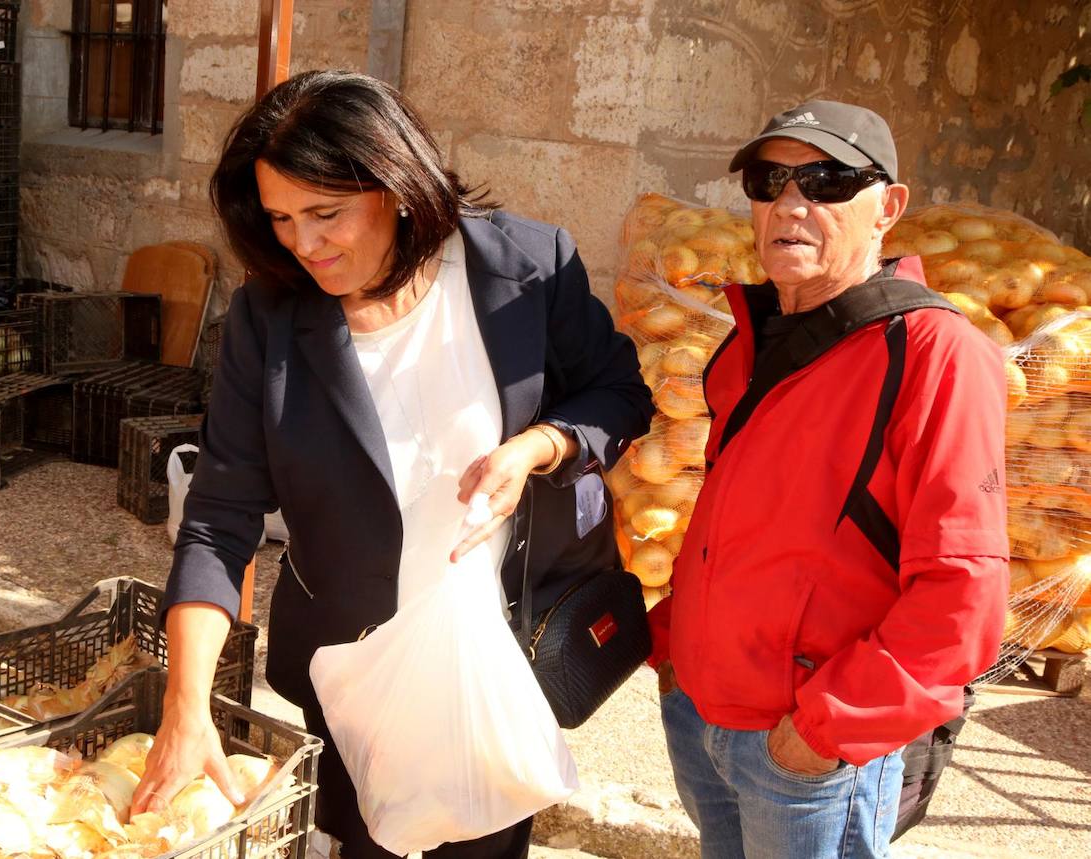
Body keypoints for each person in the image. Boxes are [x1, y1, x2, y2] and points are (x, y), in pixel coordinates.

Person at [130, 70, 653, 858]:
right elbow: (217, 516)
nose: (303, 245)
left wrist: (538, 447)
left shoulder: (526, 268)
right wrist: (185, 704)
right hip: (354, 672)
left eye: (325, 214)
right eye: (280, 219)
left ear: (395, 184)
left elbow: (618, 392)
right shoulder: (268, 317)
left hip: (497, 662)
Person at [646, 100, 1009, 858]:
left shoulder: (935, 353)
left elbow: (964, 594)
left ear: (890, 207)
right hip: (705, 718)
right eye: (769, 179)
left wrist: (820, 734)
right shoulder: (751, 342)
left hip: (806, 753)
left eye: (827, 179)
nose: (791, 203)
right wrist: (675, 655)